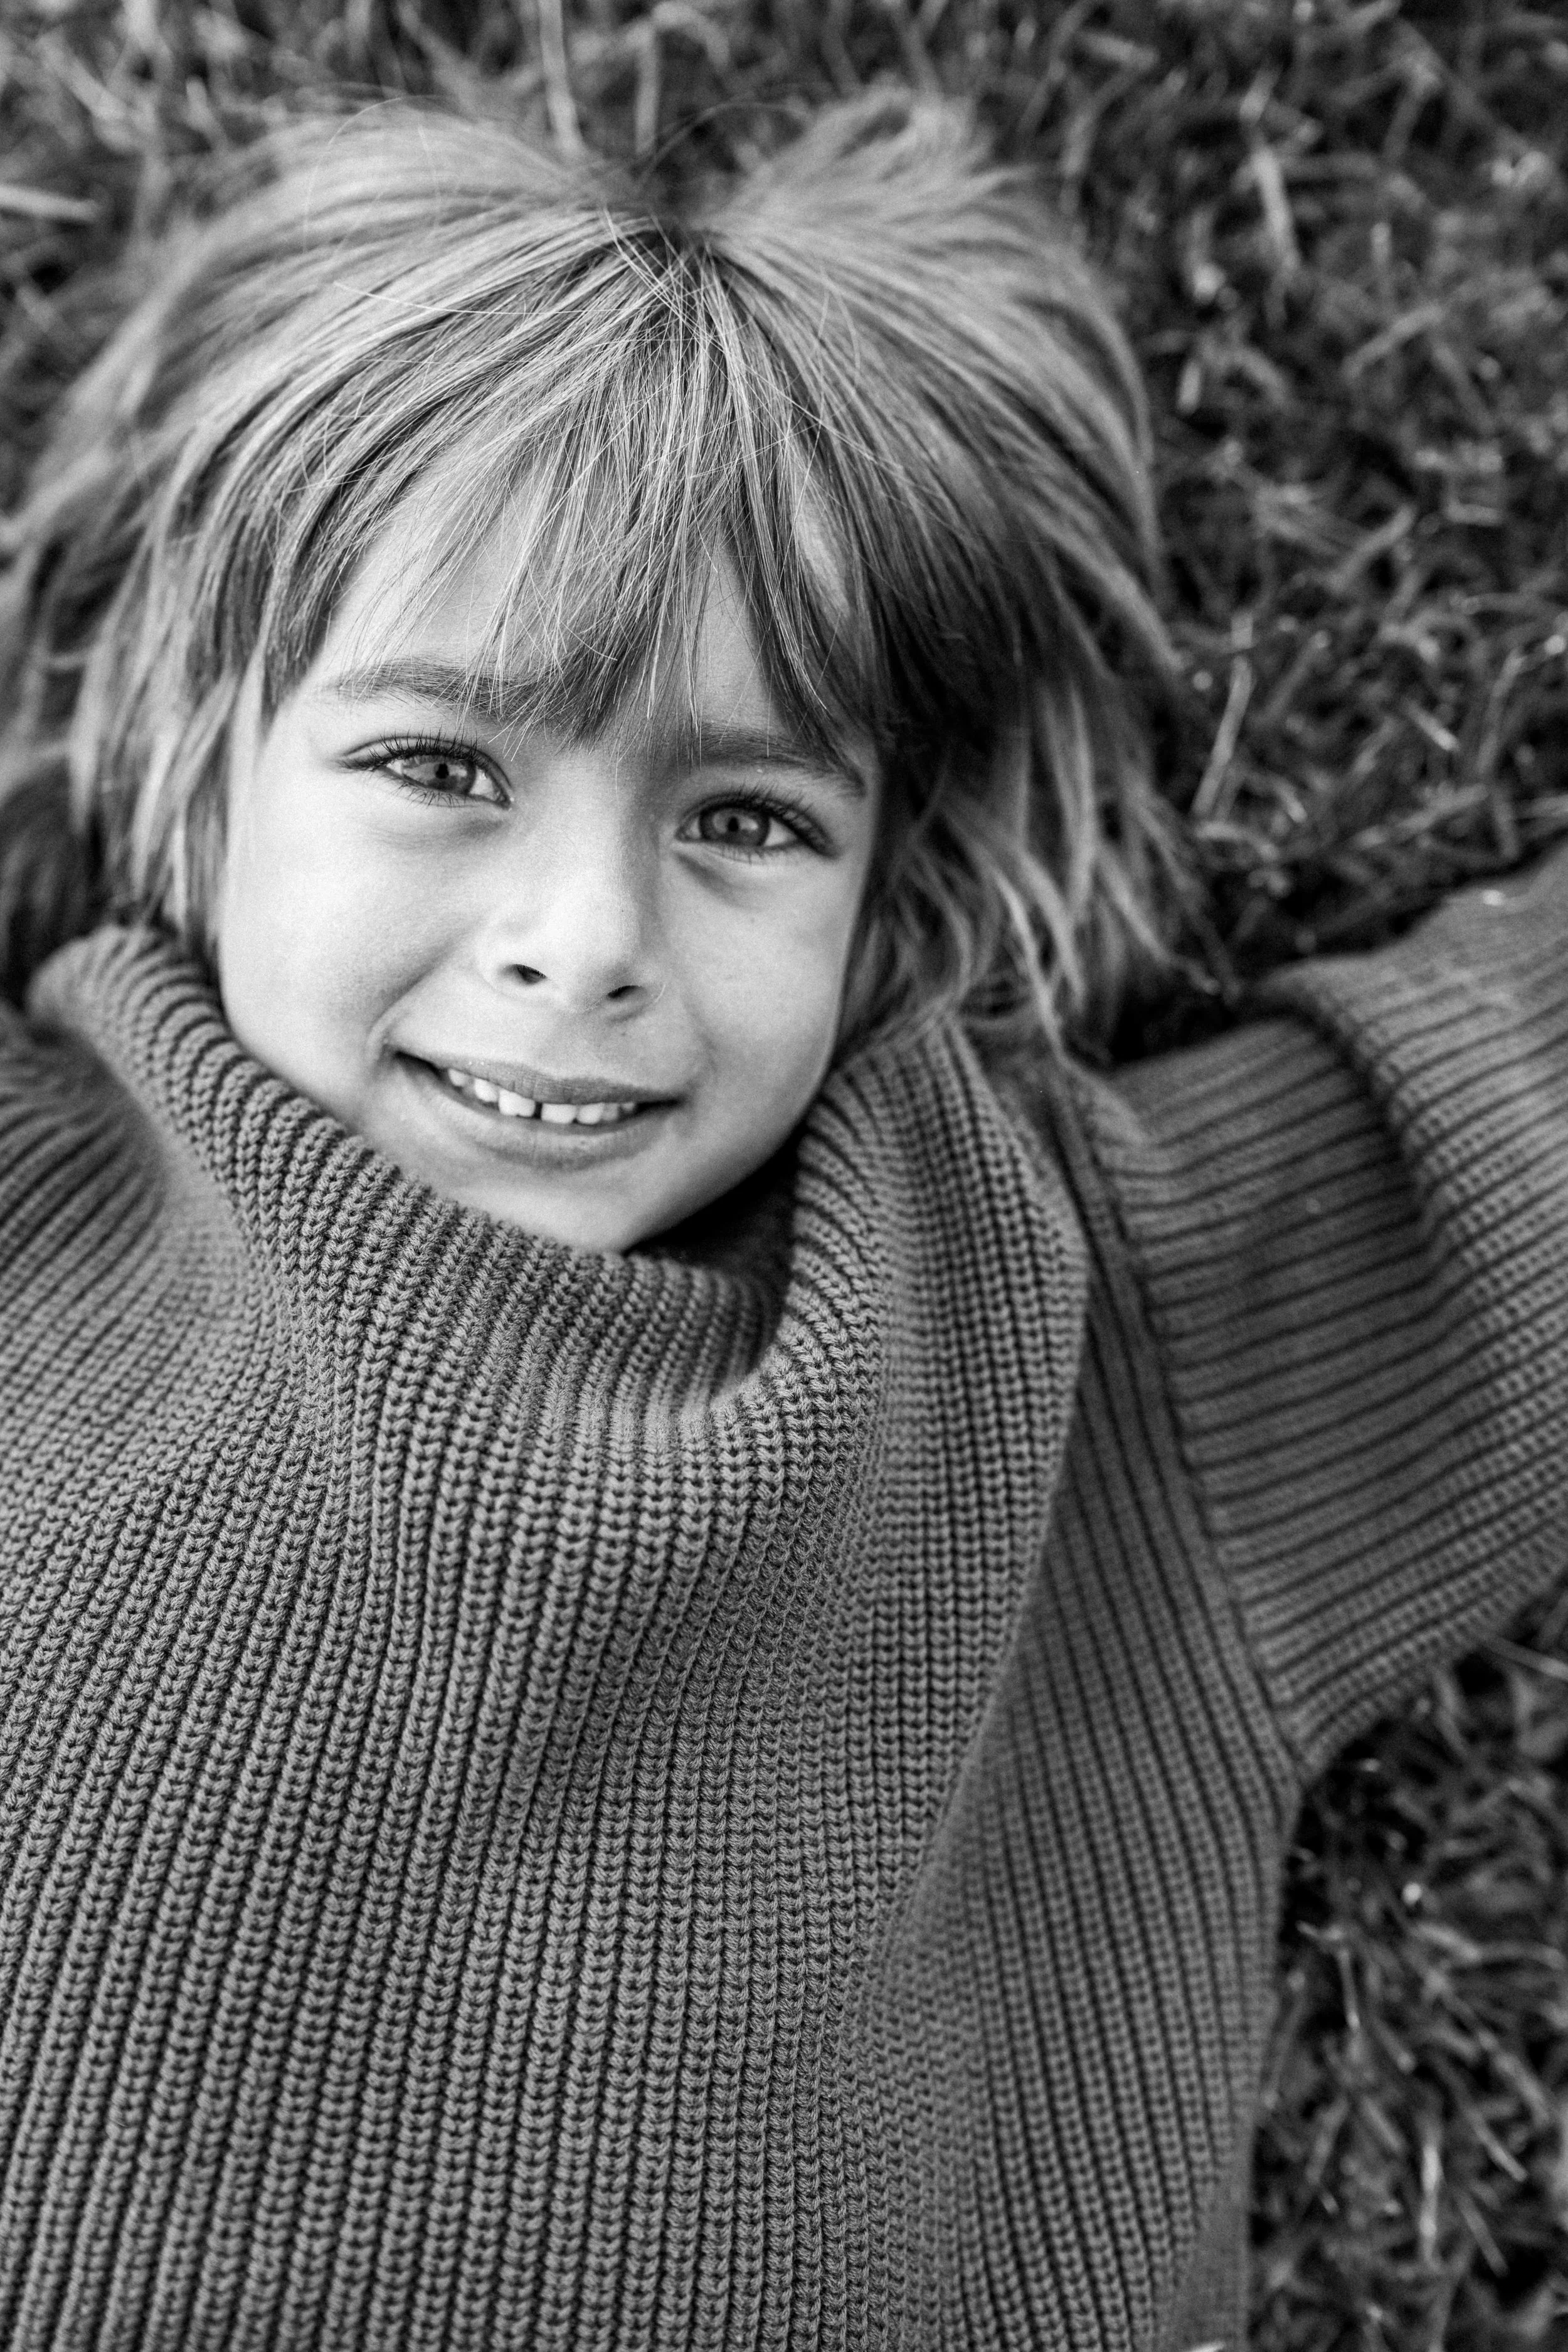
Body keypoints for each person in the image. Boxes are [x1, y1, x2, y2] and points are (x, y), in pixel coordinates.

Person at [0, 87, 1561, 2352]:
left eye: (742, 815)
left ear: (875, 879)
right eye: (441, 768)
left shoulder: (1087, 1363)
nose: (581, 935)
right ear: (205, 747)